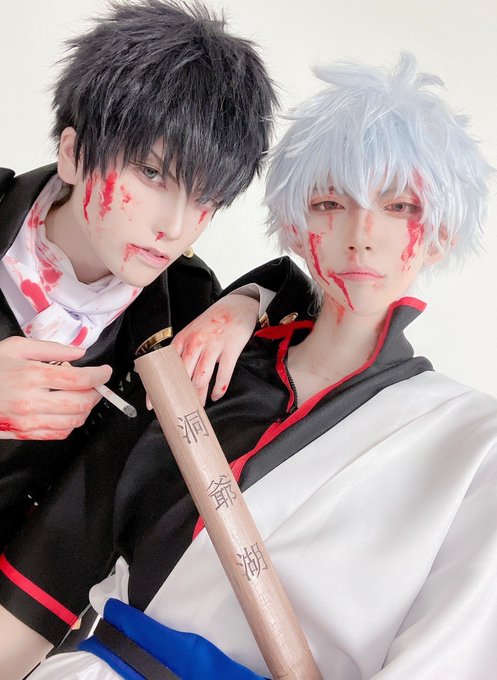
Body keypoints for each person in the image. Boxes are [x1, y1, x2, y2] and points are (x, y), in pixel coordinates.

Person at [26, 53, 497, 678]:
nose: (361, 233)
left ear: (441, 234)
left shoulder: (475, 440)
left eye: (401, 207)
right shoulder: (200, 361)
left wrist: (251, 299)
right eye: (329, 203)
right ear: (295, 226)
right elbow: (66, 541)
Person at [0, 1, 314, 676]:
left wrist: (247, 303)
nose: (175, 224)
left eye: (204, 199)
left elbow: (310, 300)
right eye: (151, 174)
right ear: (73, 152)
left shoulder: (182, 307)